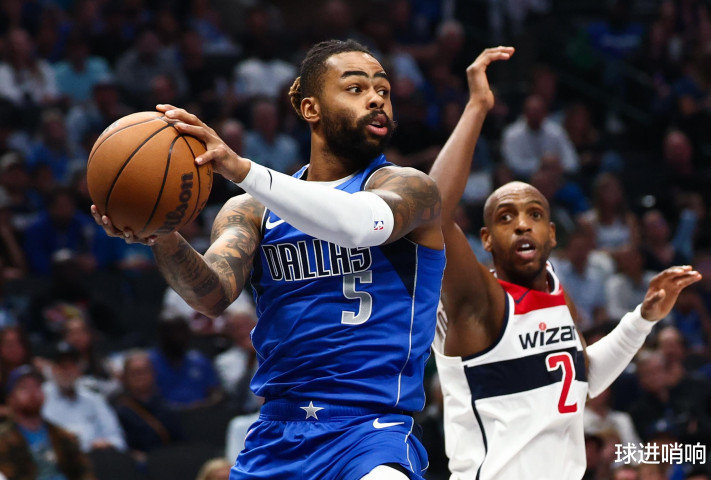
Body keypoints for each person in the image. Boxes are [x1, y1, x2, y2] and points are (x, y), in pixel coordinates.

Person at [91, 39, 444, 480]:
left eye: (384, 90)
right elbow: (212, 295)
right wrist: (161, 234)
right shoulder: (253, 210)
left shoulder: (411, 188)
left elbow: (358, 224)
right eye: (356, 88)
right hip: (278, 432)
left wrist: (242, 170)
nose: (376, 99)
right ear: (311, 108)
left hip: (369, 433)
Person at [428, 46, 702, 480]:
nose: (522, 224)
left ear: (552, 234)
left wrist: (642, 319)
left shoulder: (555, 290)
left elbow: (582, 379)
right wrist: (477, 106)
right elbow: (432, 212)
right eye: (506, 217)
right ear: (487, 240)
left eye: (534, 214)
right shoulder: (480, 300)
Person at [0, 365, 95, 480]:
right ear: (11, 398)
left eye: (37, 386)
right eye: (24, 387)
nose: (32, 392)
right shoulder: (3, 440)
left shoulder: (64, 436)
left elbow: (85, 472)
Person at [41, 342, 126, 453]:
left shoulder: (93, 399)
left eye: (71, 365)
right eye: (62, 366)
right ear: (52, 369)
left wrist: (106, 443)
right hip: (60, 458)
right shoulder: (41, 398)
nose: (67, 371)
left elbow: (118, 439)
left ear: (79, 369)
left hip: (96, 457)